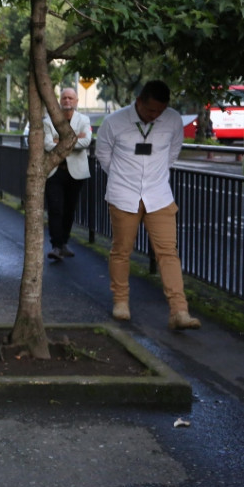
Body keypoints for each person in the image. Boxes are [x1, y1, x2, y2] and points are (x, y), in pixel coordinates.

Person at [95, 80, 201, 331]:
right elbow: (103, 155)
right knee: (122, 250)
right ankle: (121, 302)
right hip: (124, 195)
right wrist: (123, 177)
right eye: (151, 110)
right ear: (139, 101)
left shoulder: (173, 120)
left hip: (159, 195)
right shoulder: (114, 122)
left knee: (168, 252)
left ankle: (179, 311)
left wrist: (155, 176)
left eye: (160, 111)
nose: (155, 116)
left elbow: (173, 152)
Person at [44, 87, 92, 261]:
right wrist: (73, 139)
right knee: (55, 209)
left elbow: (86, 141)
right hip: (55, 171)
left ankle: (64, 242)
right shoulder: (48, 121)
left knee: (69, 209)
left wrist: (60, 141)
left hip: (76, 173)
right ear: (59, 101)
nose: (67, 101)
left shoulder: (84, 120)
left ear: (76, 101)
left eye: (71, 98)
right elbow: (48, 144)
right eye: (64, 98)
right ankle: (56, 246)